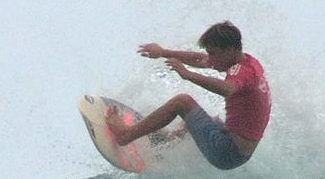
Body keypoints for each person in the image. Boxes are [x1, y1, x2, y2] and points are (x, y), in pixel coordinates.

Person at [106, 21, 271, 170]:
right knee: (197, 119)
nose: (210, 58)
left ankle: (125, 135)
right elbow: (200, 59)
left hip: (227, 152)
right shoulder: (246, 62)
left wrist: (188, 75)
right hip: (236, 149)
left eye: (213, 53)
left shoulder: (244, 72)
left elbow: (227, 89)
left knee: (182, 102)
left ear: (229, 50)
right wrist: (163, 52)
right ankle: (166, 144)